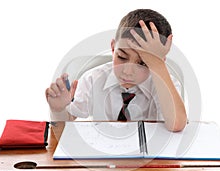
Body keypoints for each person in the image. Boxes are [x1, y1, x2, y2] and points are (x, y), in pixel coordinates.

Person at [45, 9, 187, 132]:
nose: (128, 72)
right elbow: (66, 122)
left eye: (143, 64)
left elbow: (176, 124)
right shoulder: (93, 79)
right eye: (122, 57)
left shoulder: (166, 84)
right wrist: (58, 110)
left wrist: (157, 64)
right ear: (113, 47)